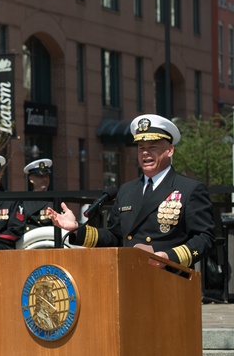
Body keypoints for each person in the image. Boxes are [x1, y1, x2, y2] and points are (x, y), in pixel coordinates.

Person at [48, 114, 215, 268]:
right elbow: (115, 237)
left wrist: (168, 257)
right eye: (141, 148)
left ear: (170, 150)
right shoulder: (126, 190)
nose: (145, 153)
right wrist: (77, 228)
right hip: (130, 276)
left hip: (170, 279)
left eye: (152, 147)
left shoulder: (189, 189)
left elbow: (205, 239)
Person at [21, 158, 55, 231]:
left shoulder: (54, 200)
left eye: (46, 176)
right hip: (28, 239)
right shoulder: (23, 201)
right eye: (40, 176)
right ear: (31, 179)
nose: (45, 179)